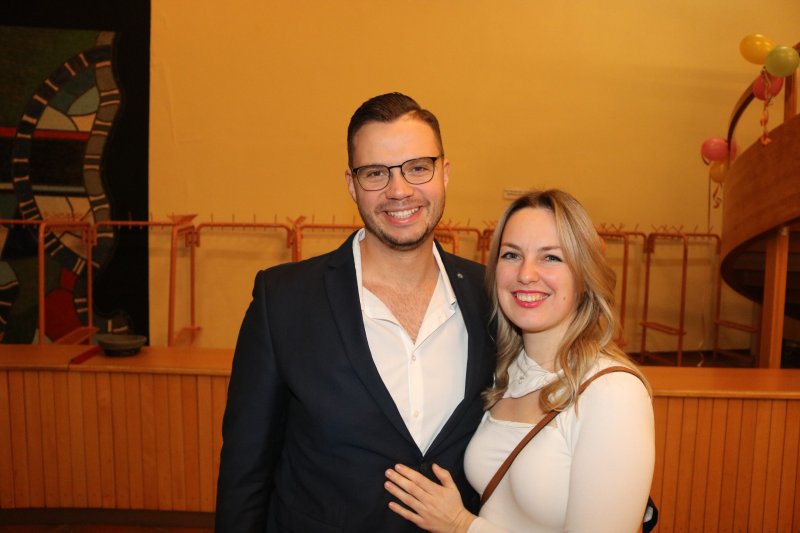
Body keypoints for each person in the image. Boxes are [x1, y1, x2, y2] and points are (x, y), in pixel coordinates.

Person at [215, 92, 495, 532]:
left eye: (417, 167)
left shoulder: (491, 295)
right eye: (376, 173)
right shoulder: (284, 300)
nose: (398, 190)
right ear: (351, 185)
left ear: (444, 173)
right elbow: (244, 471)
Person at [384, 189, 655, 532]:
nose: (526, 274)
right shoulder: (505, 372)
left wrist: (461, 525)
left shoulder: (613, 393)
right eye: (511, 255)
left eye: (551, 257)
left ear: (584, 275)